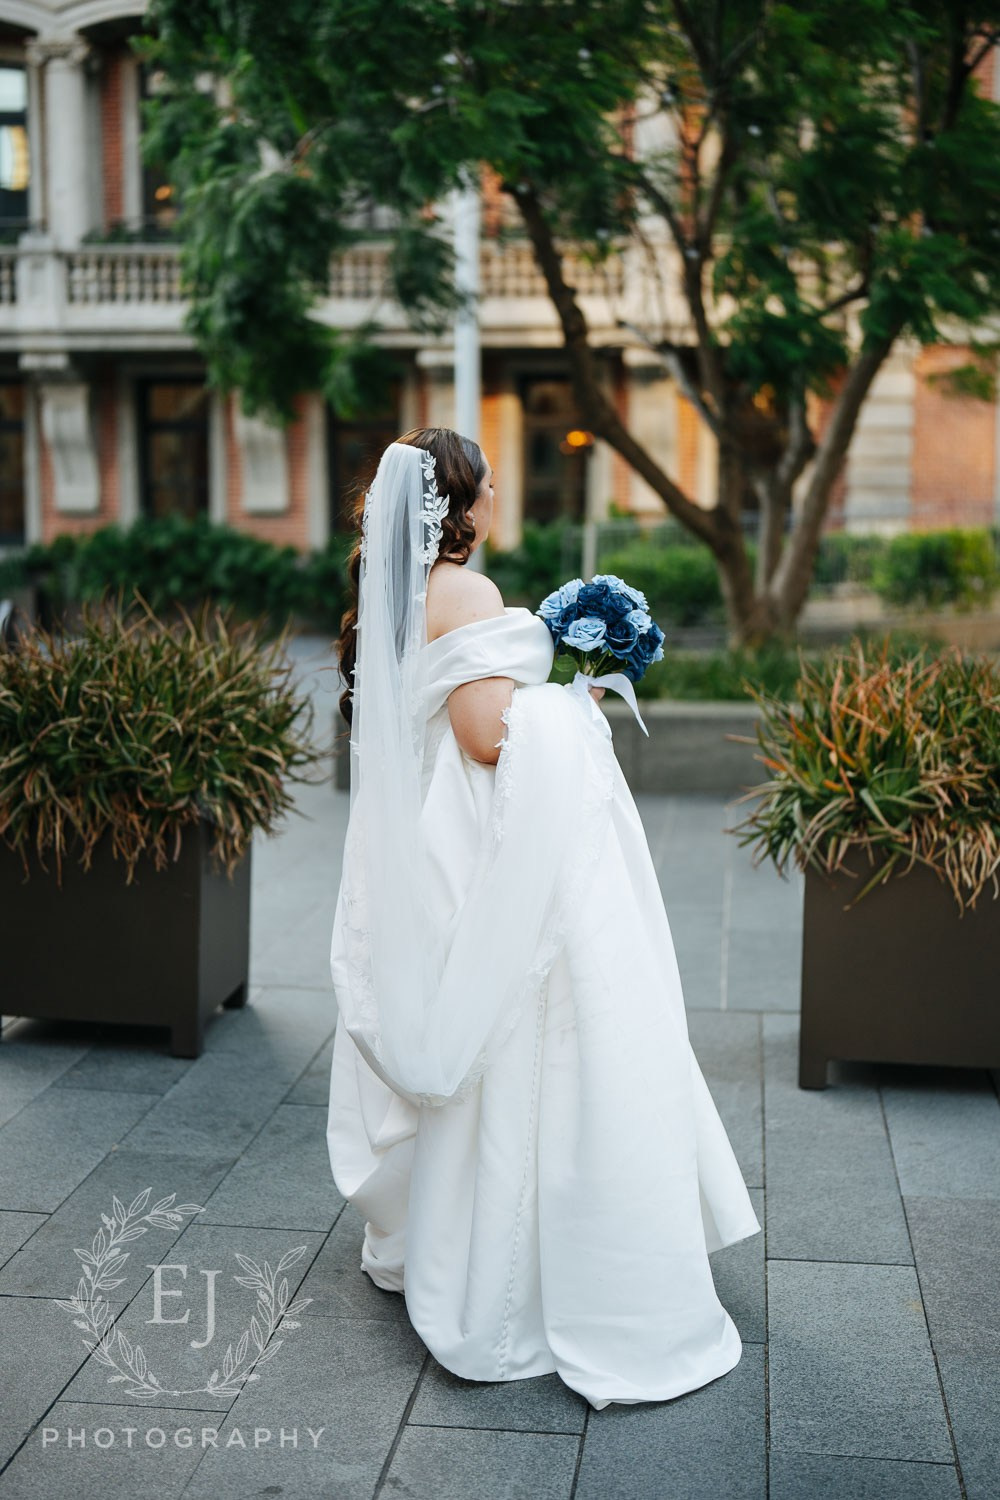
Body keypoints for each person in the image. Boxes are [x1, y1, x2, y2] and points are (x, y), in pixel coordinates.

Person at [327, 427, 761, 1411]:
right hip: (492, 838)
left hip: (428, 836)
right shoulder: (469, 595)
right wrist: (577, 701)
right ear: (463, 505)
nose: (496, 500)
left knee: (496, 1044)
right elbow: (488, 737)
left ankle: (456, 1230)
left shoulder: (392, 595)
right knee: (540, 1031)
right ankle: (541, 1270)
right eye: (488, 487)